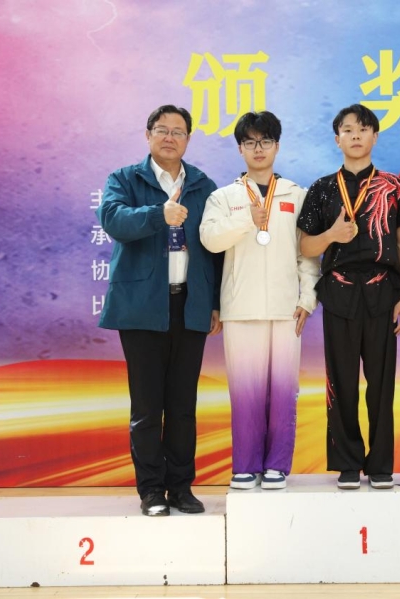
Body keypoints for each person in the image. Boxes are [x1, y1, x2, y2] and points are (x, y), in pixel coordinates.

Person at [96, 104, 222, 516]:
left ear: (188, 139)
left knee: (183, 405)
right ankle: (151, 490)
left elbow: (216, 249)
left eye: (178, 131)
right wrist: (159, 214)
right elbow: (114, 220)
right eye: (162, 129)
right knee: (148, 406)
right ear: (148, 134)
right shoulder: (125, 179)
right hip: (142, 307)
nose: (170, 137)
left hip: (190, 304)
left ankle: (181, 487)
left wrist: (214, 303)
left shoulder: (202, 185)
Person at [200, 111, 319, 490]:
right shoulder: (224, 197)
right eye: (250, 142)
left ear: (277, 146)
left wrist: (307, 298)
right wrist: (246, 219)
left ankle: (277, 465)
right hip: (240, 307)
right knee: (245, 391)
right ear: (240, 148)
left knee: (284, 390)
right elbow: (210, 240)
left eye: (265, 141)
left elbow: (307, 253)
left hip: (286, 309)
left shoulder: (297, 195)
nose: (258, 148)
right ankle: (246, 465)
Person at [297, 104, 400, 490]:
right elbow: (305, 246)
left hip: (383, 292)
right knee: (341, 380)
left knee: (381, 383)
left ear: (375, 137)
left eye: (363, 129)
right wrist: (331, 235)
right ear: (337, 139)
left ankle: (380, 464)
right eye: (348, 130)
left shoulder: (395, 188)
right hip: (339, 293)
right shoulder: (322, 189)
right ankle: (347, 462)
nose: (356, 135)